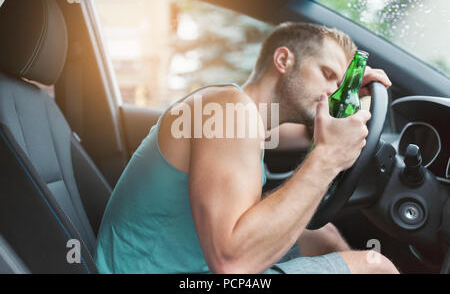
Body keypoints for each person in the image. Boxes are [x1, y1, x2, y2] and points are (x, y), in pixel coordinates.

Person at [95, 22, 398, 274]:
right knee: (375, 266)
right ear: (283, 60)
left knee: (322, 235)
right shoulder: (229, 110)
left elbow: (312, 134)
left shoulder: (244, 118)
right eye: (328, 74)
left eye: (340, 84)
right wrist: (328, 157)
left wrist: (353, 96)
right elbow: (232, 264)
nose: (334, 91)